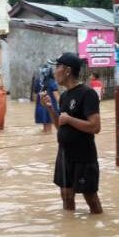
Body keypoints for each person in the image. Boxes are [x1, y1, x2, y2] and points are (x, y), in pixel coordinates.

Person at [41, 52, 103, 214]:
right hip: (64, 154)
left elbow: (95, 127)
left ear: (67, 71)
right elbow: (60, 125)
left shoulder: (87, 93)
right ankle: (69, 233)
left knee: (91, 198)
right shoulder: (65, 96)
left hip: (83, 155)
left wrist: (69, 120)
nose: (55, 72)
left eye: (57, 67)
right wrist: (49, 108)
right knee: (66, 195)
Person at [32, 64, 59, 133]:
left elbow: (35, 95)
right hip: (50, 106)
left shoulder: (38, 81)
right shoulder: (52, 82)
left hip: (40, 106)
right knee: (49, 130)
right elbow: (57, 97)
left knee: (44, 129)